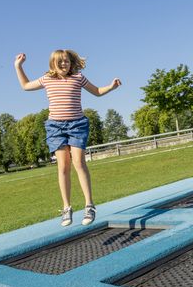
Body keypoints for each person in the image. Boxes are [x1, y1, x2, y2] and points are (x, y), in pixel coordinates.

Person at [14, 49, 121, 226]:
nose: (64, 64)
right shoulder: (47, 79)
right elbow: (25, 86)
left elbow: (97, 91)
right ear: (53, 64)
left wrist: (111, 87)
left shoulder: (78, 78)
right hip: (55, 127)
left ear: (71, 63)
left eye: (67, 61)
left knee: (78, 162)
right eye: (60, 62)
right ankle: (66, 208)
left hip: (77, 125)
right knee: (63, 166)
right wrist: (18, 66)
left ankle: (89, 205)